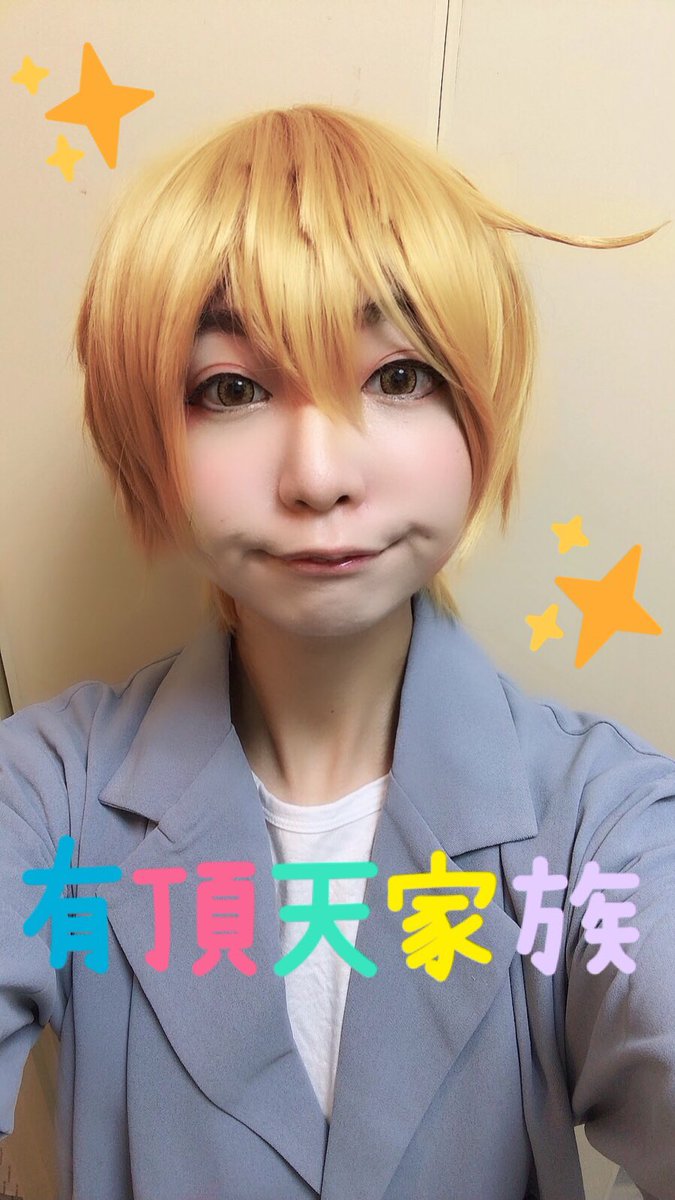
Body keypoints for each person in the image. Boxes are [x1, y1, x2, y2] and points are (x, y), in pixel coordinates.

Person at [1, 102, 673, 1200]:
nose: (318, 476)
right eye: (231, 388)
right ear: (144, 441)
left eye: (398, 375)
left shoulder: (601, 816)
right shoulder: (43, 795)